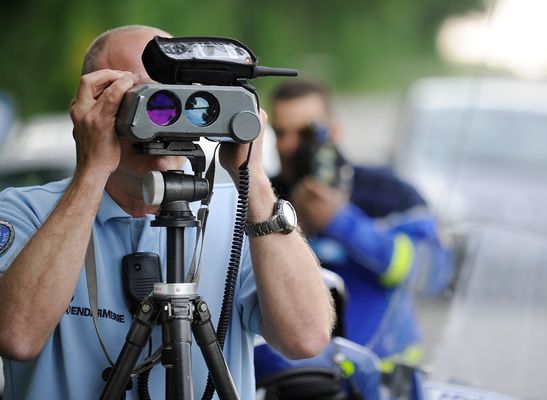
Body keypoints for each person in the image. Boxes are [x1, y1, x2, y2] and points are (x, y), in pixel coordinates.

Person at [0, 26, 334, 399]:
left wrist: (251, 177)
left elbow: (307, 338)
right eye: (142, 97)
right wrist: (91, 171)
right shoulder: (28, 211)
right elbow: (17, 337)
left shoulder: (237, 215)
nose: (164, 113)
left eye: (177, 94)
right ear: (91, 106)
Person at [268, 79, 452, 371]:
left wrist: (341, 222)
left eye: (305, 133)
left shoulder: (389, 192)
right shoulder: (260, 198)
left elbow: (429, 274)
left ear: (334, 131)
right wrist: (293, 228)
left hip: (382, 379)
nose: (289, 146)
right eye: (280, 133)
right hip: (297, 377)